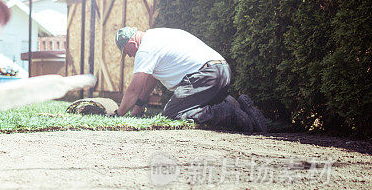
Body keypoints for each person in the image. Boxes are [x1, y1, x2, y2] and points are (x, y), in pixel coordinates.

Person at [113, 26, 267, 133]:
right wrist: (138, 108)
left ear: (131, 44)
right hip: (221, 71)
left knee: (172, 115)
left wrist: (118, 115)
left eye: (126, 52)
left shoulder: (145, 49)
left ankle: (231, 112)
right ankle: (240, 109)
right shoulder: (157, 35)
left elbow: (134, 89)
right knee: (188, 108)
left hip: (204, 76)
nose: (129, 56)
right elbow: (149, 81)